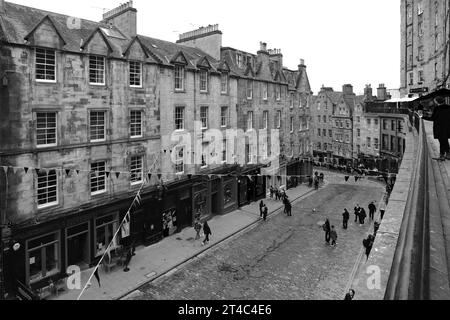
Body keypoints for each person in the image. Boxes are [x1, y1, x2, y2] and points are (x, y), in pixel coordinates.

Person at [422, 96, 450, 161]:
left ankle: (442, 155)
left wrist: (423, 117)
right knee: (445, 140)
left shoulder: (437, 108)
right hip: (447, 127)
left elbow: (433, 118)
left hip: (439, 127)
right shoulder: (448, 107)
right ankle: (447, 154)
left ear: (437, 101)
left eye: (435, 101)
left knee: (442, 141)